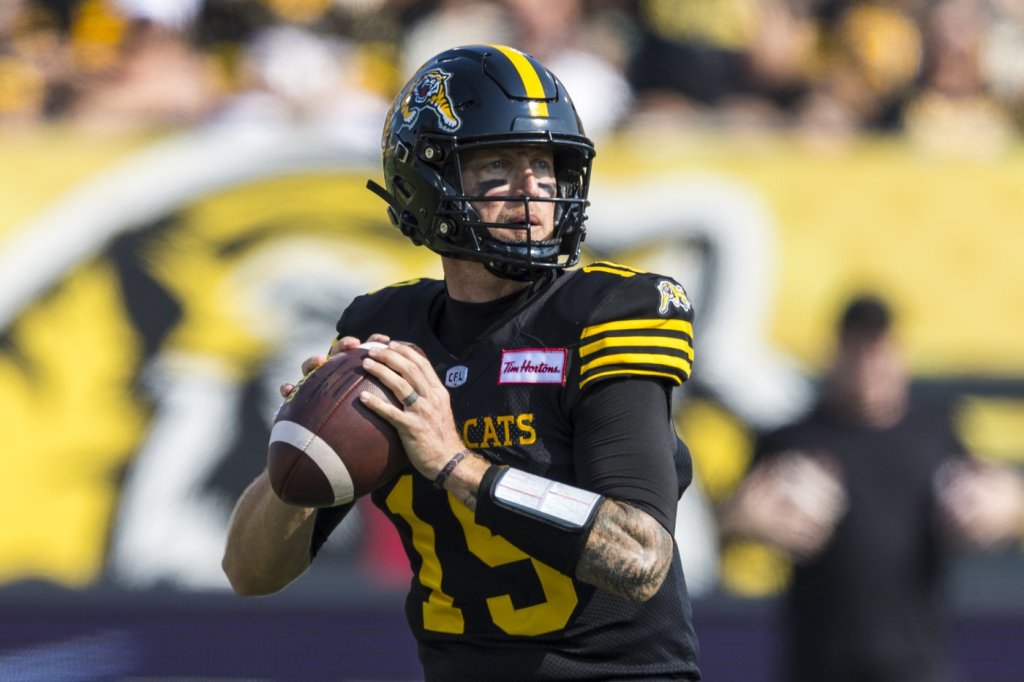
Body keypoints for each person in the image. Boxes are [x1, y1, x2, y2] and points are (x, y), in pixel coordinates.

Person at [222, 44, 702, 681]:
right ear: (426, 179)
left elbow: (640, 555)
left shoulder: (608, 312)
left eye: (545, 164)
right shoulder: (386, 331)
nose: (533, 191)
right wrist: (303, 447)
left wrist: (456, 464)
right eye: (499, 164)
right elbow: (248, 573)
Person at [719, 294, 1024, 682]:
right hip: (818, 664)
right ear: (836, 354)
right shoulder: (794, 439)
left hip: (918, 662)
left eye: (877, 350)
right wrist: (740, 518)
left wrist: (1011, 505)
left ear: (898, 354)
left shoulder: (935, 434)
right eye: (857, 350)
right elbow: (721, 526)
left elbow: (997, 499)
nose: (868, 365)